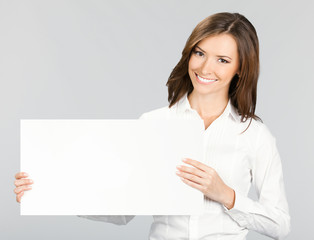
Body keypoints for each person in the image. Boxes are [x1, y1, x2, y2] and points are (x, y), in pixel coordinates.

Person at [14, 12, 291, 239]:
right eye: (199, 53)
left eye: (222, 60)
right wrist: (50, 189)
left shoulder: (254, 135)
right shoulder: (155, 124)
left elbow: (280, 224)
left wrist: (226, 195)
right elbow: (123, 211)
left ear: (241, 68)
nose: (206, 68)